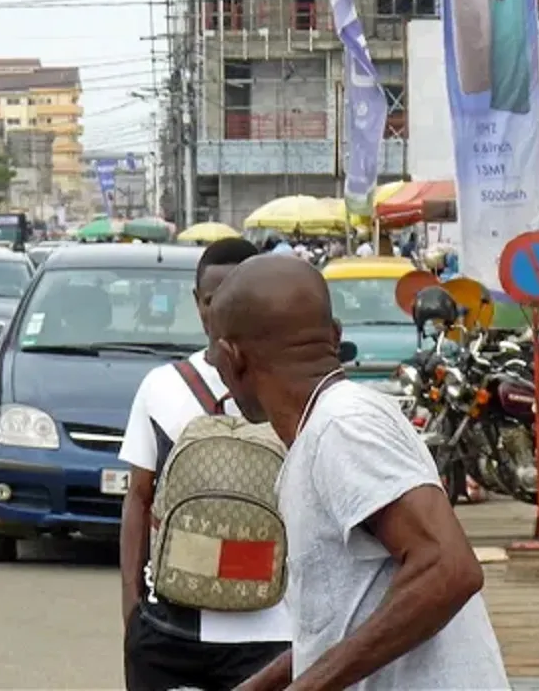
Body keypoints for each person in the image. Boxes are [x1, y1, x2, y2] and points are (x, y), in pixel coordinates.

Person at [207, 255, 509, 691]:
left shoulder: (342, 427)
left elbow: (448, 569)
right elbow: (351, 620)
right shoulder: (334, 424)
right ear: (336, 336)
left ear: (233, 358)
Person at [118, 238, 291, 691]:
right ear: (198, 305)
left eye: (240, 299)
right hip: (171, 630)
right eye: (215, 301)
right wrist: (132, 612)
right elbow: (138, 499)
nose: (226, 313)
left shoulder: (290, 387)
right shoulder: (162, 387)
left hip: (272, 631)